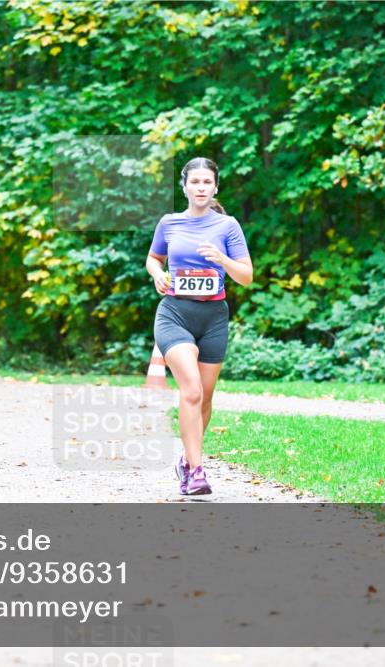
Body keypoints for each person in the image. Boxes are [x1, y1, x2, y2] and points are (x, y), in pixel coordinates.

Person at [145, 157, 253, 495]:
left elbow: (246, 277)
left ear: (215, 186)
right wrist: (158, 274)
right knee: (191, 389)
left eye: (207, 182)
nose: (201, 188)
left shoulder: (228, 226)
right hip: (175, 314)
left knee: (204, 398)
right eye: (195, 182)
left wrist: (222, 260)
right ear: (185, 187)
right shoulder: (169, 223)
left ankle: (187, 459)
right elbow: (153, 258)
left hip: (214, 318)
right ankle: (196, 471)